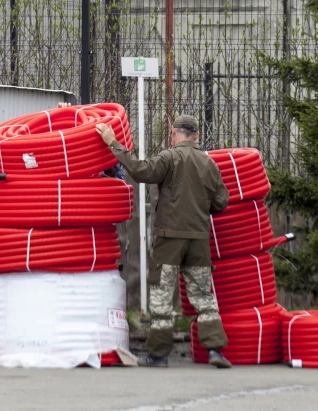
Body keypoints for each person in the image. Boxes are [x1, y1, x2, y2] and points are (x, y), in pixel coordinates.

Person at [96, 115, 231, 368]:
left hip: (169, 239)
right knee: (203, 295)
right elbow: (222, 202)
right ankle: (215, 351)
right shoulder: (209, 163)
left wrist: (113, 144)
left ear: (173, 134)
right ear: (196, 135)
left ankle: (158, 354)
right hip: (199, 239)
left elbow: (140, 170)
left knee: (161, 295)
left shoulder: (170, 158)